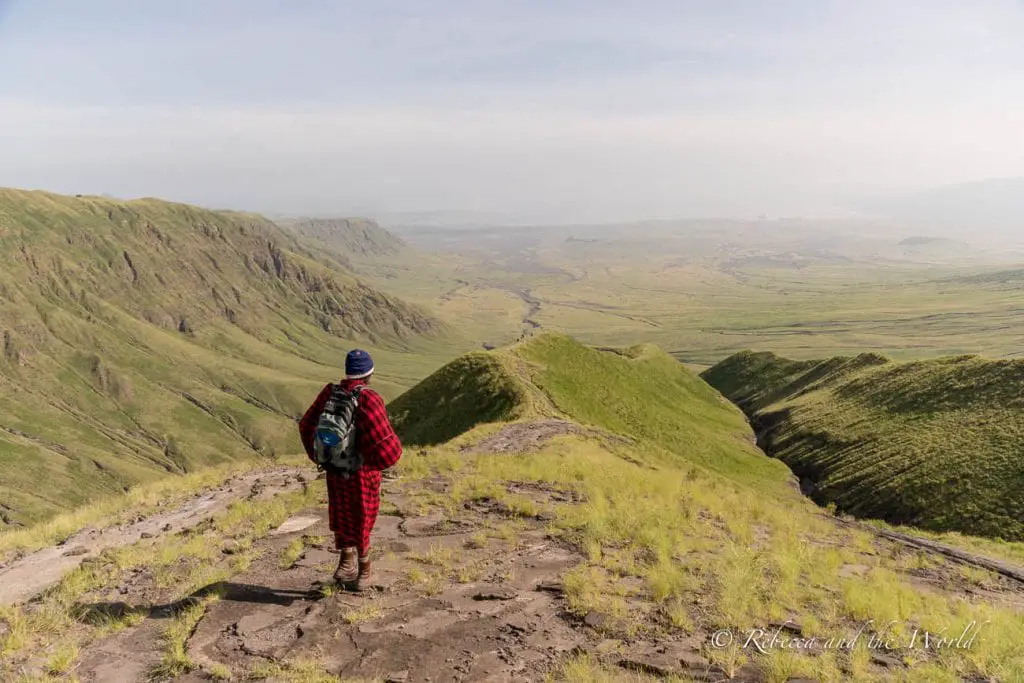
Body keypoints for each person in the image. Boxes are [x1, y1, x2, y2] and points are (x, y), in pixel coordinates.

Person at [298, 349, 402, 590]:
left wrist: (321, 456)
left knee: (341, 513)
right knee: (362, 517)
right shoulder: (369, 398)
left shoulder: (329, 393)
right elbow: (386, 446)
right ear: (369, 373)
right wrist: (374, 463)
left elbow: (306, 425)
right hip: (361, 472)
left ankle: (346, 561)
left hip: (335, 469)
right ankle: (364, 570)